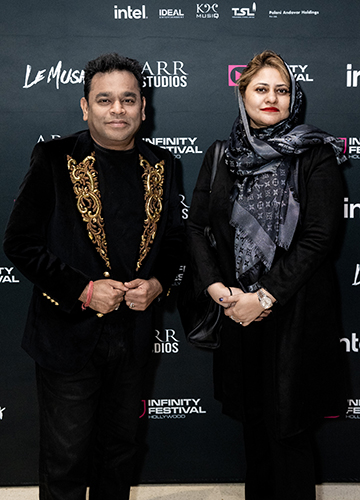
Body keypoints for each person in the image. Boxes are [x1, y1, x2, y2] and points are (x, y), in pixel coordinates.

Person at [3, 53, 184, 500]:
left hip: (134, 337)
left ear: (145, 107)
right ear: (86, 107)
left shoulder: (163, 165)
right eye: (105, 100)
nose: (117, 109)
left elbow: (176, 242)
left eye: (128, 99)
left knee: (119, 455)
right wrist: (83, 289)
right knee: (65, 463)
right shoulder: (53, 157)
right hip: (68, 336)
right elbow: (20, 243)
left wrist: (158, 284)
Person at [187, 50, 347, 500]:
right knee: (253, 429)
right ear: (243, 95)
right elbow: (197, 227)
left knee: (289, 432)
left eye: (282, 90)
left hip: (293, 314)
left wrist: (265, 297)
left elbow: (319, 237)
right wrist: (220, 292)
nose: (272, 98)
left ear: (294, 97)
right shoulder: (220, 155)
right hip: (236, 314)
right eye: (261, 89)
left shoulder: (315, 155)